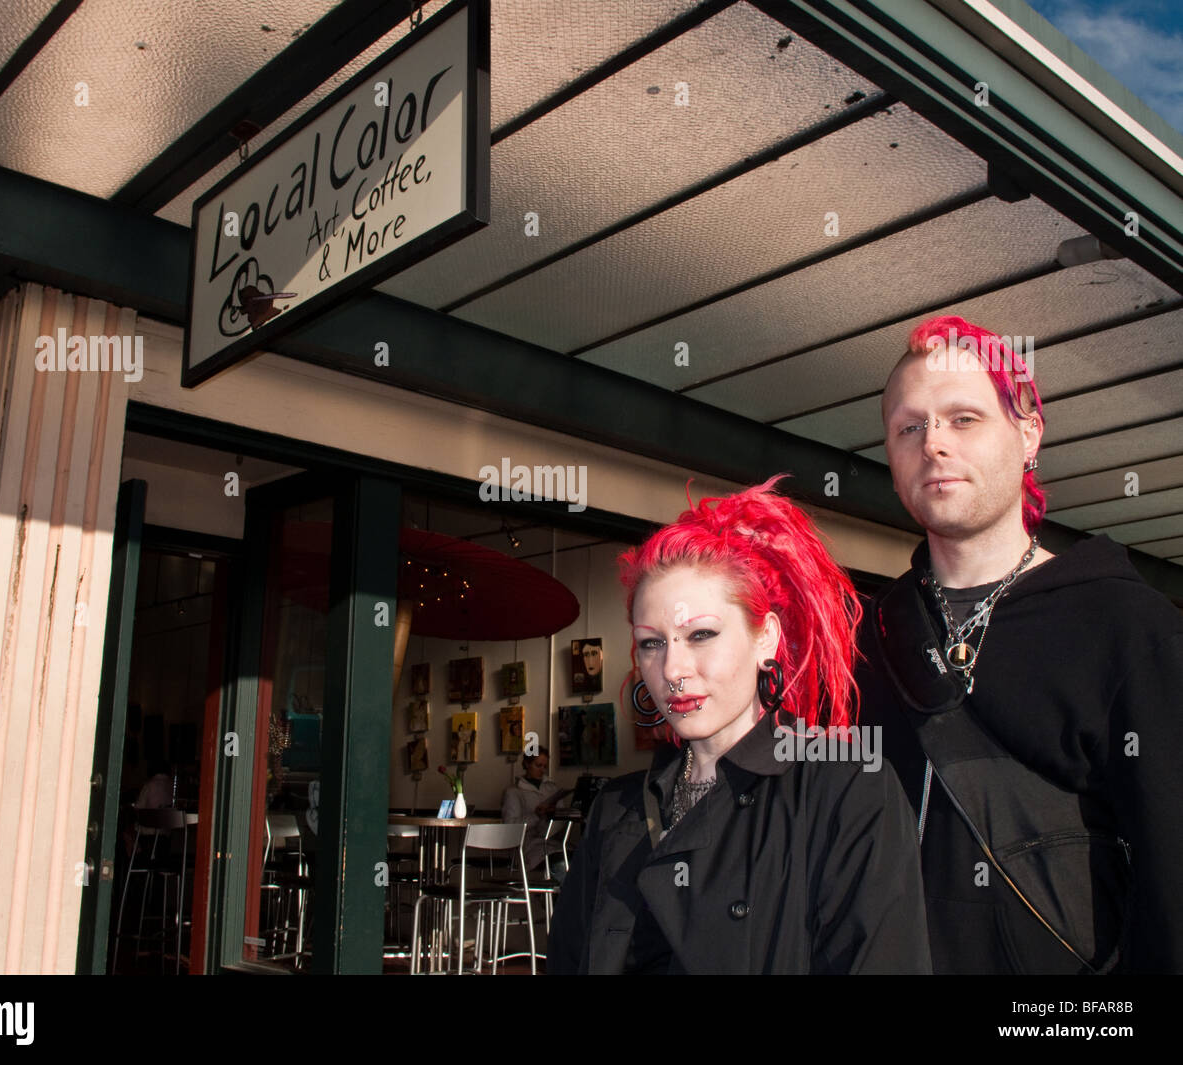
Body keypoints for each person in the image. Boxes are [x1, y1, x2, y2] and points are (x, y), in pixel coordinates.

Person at [858, 314, 1183, 973]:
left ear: (1029, 432)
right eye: (909, 427)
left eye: (964, 418)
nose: (934, 444)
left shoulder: (1128, 625)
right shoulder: (869, 635)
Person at [548, 479, 931, 974]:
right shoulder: (617, 809)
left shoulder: (845, 787)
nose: (672, 670)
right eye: (652, 643)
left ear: (766, 637)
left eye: (701, 635)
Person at [501, 747, 571, 873]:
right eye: (538, 765)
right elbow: (511, 827)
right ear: (527, 764)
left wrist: (555, 815)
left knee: (577, 858)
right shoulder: (514, 792)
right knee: (560, 864)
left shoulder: (552, 789)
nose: (542, 770)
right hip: (529, 846)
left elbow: (562, 820)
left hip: (553, 842)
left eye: (544, 767)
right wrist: (536, 815)